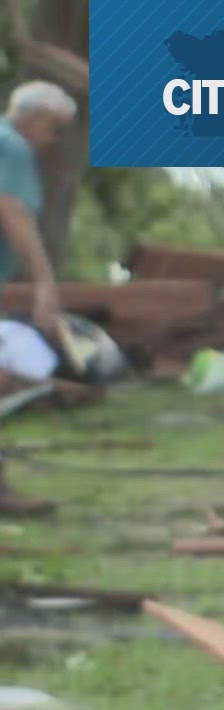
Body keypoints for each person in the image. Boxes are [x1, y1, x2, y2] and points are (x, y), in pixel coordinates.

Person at [0, 80, 75, 517]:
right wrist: (46, 281)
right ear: (32, 117)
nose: (54, 140)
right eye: (53, 128)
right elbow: (11, 209)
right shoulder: (10, 146)